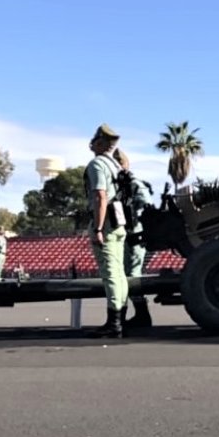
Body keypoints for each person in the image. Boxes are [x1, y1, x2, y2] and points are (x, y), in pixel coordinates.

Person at [84, 123, 129, 338]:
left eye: (95, 139)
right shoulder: (117, 166)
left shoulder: (97, 165)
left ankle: (114, 323)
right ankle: (120, 317)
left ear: (101, 142)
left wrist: (99, 227)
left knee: (110, 274)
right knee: (120, 274)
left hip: (108, 225)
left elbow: (100, 196)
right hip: (120, 224)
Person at [113, 148, 154, 329]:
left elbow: (146, 205)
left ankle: (142, 315)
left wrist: (133, 215)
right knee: (123, 276)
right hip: (124, 235)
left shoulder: (134, 184)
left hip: (135, 235)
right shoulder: (118, 186)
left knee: (132, 276)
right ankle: (132, 315)